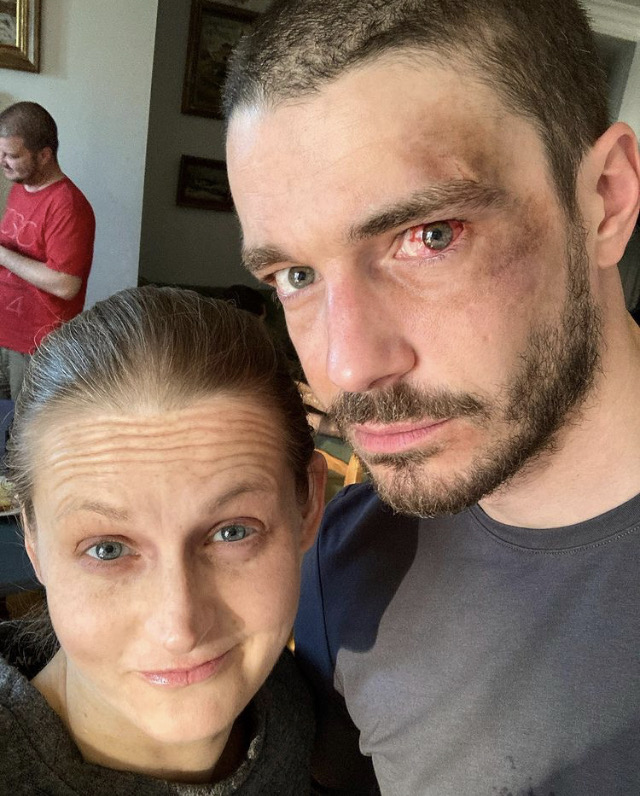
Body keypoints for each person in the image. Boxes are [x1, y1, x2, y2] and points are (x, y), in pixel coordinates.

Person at [223, 0, 640, 793]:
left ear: (606, 200)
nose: (347, 367)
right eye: (296, 276)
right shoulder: (343, 558)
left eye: (430, 235)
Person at [0, 286, 326, 793]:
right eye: (107, 549)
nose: (181, 630)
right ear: (33, 540)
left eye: (232, 532)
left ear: (308, 506)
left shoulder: (295, 699)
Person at [0, 101, 95, 399]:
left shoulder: (68, 205)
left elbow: (66, 284)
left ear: (44, 155)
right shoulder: (19, 187)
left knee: (22, 425)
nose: (3, 162)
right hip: (5, 333)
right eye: (1, 153)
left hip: (36, 347)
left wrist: (2, 255)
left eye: (12, 155)